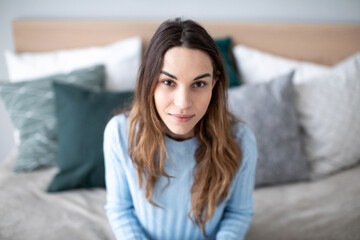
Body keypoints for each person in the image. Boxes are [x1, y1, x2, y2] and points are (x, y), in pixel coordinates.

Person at [103, 18, 258, 240]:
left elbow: (238, 213)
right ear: (149, 82)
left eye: (199, 84)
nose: (183, 103)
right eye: (168, 82)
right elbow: (121, 210)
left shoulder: (241, 140)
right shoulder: (119, 133)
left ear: (213, 85)